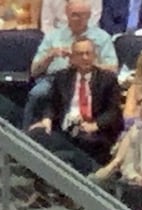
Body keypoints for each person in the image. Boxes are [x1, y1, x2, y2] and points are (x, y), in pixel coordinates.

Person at [29, 36, 121, 165]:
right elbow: (52, 103)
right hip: (65, 129)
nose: (84, 57)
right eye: (80, 54)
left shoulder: (107, 79)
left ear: (94, 56)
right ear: (72, 58)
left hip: (92, 131)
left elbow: (113, 111)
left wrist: (94, 125)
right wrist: (47, 119)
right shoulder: (62, 76)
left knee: (73, 146)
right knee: (36, 134)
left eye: (88, 53)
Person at [26, 0, 116, 130]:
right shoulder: (53, 36)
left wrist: (89, 62)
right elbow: (34, 71)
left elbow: (113, 69)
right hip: (55, 79)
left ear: (89, 16)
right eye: (75, 15)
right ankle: (27, 133)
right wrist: (50, 55)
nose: (79, 19)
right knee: (37, 93)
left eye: (83, 15)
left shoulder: (102, 37)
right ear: (66, 14)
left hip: (91, 79)